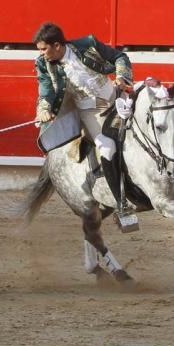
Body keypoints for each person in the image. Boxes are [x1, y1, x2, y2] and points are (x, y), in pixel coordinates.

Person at [32, 21, 136, 223]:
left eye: (45, 49)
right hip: (90, 111)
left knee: (156, 112)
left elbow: (119, 57)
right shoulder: (43, 64)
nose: (42, 54)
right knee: (107, 148)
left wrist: (122, 77)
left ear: (57, 45)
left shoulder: (88, 44)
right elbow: (45, 90)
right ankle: (121, 204)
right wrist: (44, 109)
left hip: (116, 96)